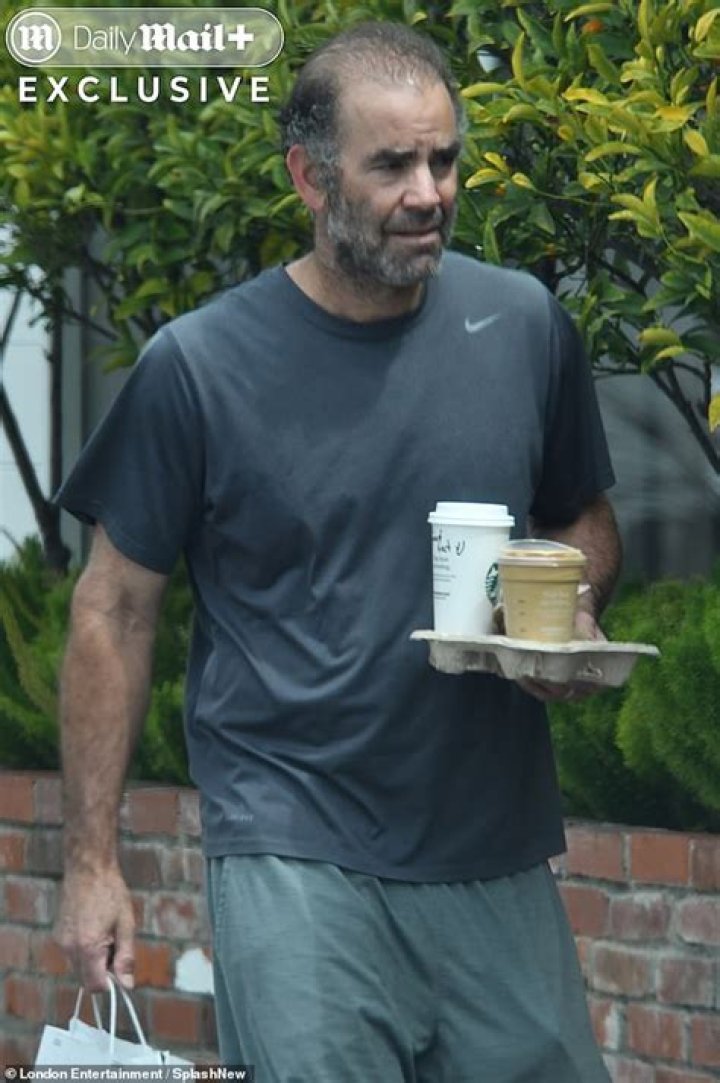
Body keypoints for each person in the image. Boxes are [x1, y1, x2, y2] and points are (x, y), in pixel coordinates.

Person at [54, 20, 621, 1083]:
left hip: (494, 846)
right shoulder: (199, 366)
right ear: (310, 179)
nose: (429, 192)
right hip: (294, 845)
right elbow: (113, 607)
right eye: (392, 165)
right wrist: (92, 863)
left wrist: (569, 604)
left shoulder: (525, 326)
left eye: (444, 160)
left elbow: (581, 519)